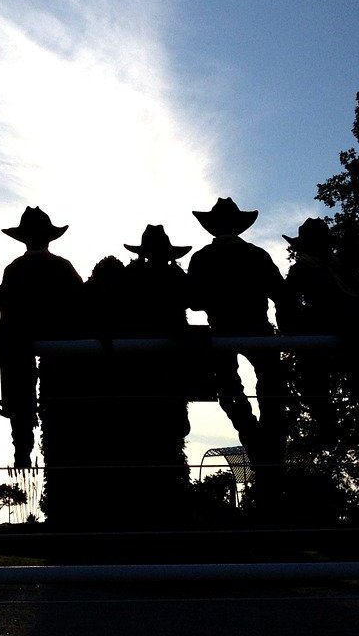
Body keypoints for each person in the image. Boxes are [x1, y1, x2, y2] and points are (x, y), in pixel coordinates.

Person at [187, 198, 295, 517]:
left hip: (221, 334)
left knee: (231, 392)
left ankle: (254, 440)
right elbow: (281, 293)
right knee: (272, 393)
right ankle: (266, 451)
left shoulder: (203, 258)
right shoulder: (256, 255)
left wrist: (214, 299)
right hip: (259, 331)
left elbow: (192, 301)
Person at [0, 207, 83, 471]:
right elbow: (80, 303)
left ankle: (22, 446)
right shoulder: (63, 267)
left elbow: (5, 307)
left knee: (17, 387)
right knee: (58, 402)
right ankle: (56, 448)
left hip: (18, 343)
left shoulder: (13, 269)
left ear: (24, 239)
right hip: (59, 345)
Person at [282, 218, 359, 446]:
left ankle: (331, 426)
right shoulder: (340, 266)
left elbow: (287, 303)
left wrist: (291, 331)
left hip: (323, 331)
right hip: (351, 330)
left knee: (311, 379)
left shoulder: (306, 269)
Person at [118, 225, 194, 523]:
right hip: (171, 368)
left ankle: (145, 506)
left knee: (143, 430)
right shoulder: (175, 276)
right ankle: (170, 501)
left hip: (139, 368)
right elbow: (195, 298)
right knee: (173, 431)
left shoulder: (132, 277)